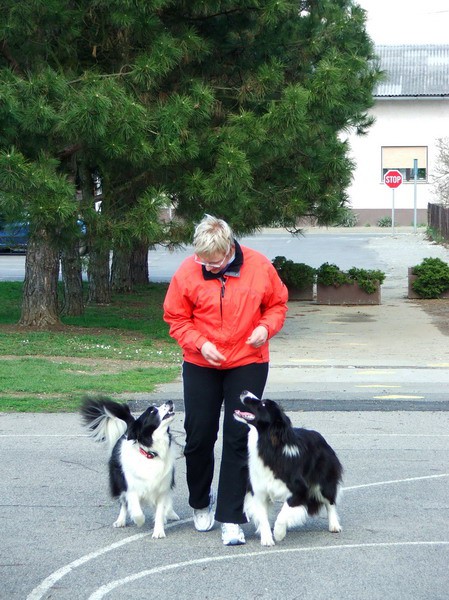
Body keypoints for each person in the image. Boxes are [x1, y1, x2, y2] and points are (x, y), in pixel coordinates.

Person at [163, 214, 288, 546]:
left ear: (230, 247)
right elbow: (175, 318)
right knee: (199, 434)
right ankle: (201, 502)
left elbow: (277, 304)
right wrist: (201, 344)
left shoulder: (260, 267)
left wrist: (265, 328)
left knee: (237, 437)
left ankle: (231, 517)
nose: (208, 267)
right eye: (202, 260)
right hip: (201, 361)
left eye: (214, 261)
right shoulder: (188, 272)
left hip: (248, 360)